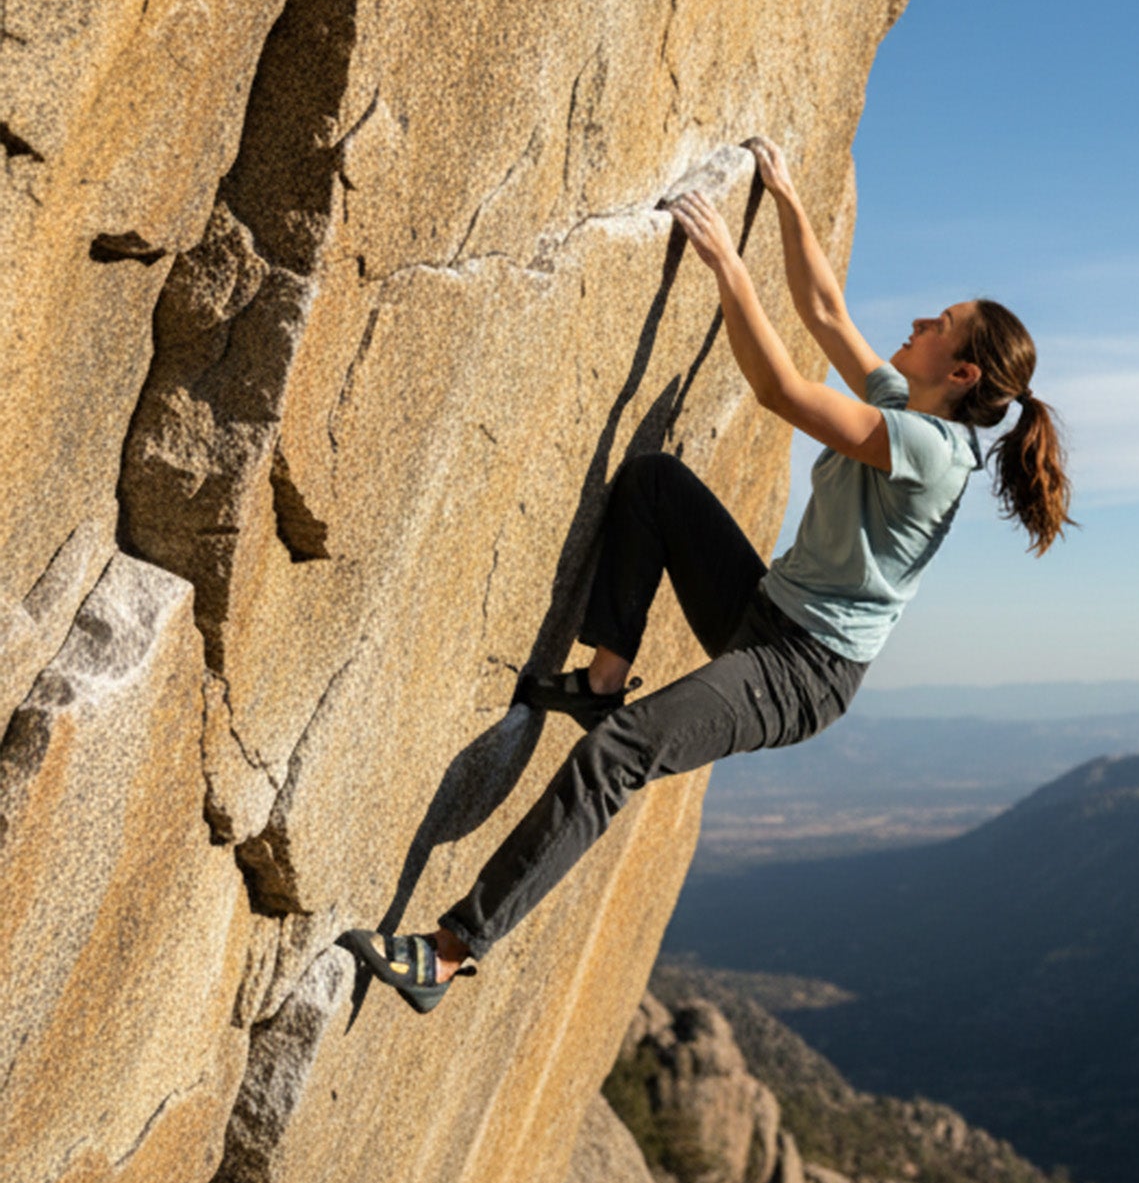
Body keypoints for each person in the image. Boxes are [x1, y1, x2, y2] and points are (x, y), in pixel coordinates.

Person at [345, 136, 1070, 1011]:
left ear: (962, 371)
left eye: (939, 324)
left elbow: (783, 392)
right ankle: (601, 680)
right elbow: (827, 313)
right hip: (765, 611)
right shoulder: (903, 403)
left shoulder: (934, 449)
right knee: (654, 484)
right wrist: (787, 198)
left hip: (802, 672)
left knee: (616, 758)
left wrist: (728, 265)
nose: (919, 321)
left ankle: (449, 954)